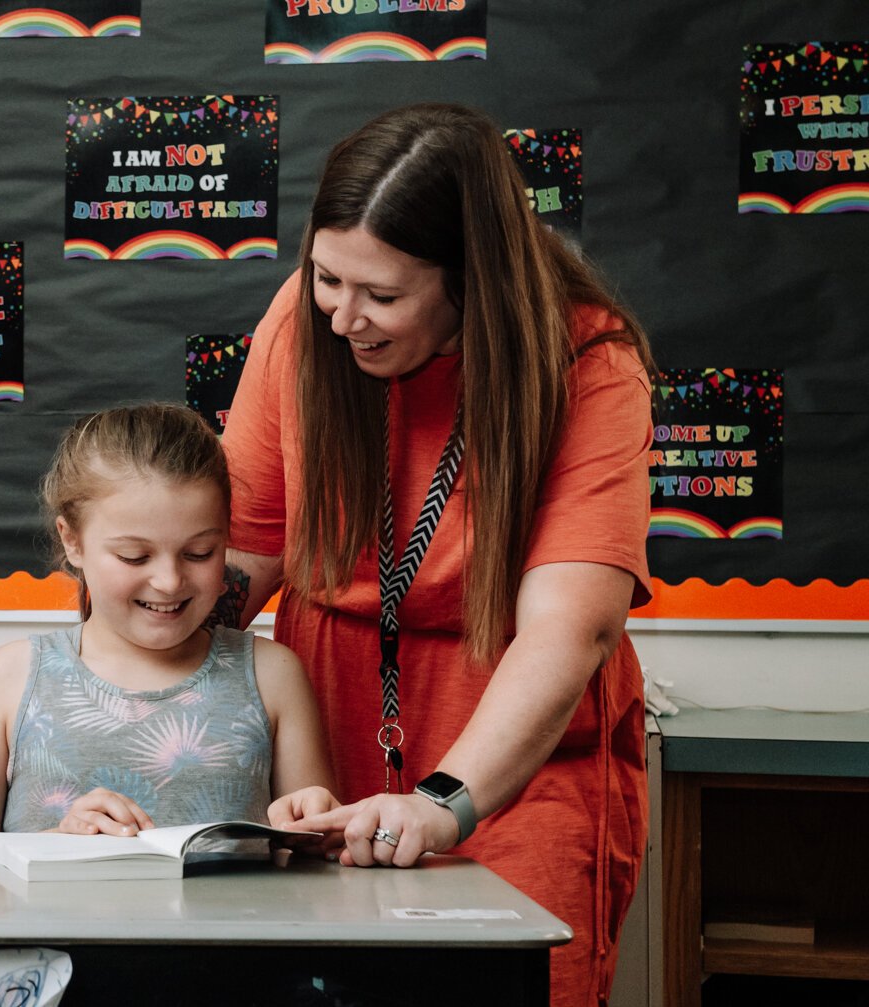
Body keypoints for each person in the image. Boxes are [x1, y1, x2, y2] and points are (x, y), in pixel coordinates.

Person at [219, 103, 654, 1006]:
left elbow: (570, 630)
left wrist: (442, 802)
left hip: (512, 760)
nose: (343, 318)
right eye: (327, 278)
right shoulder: (305, 320)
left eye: (382, 296)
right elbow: (243, 552)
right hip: (324, 743)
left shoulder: (589, 363)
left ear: (474, 280)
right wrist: (113, 700)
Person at [0, 403, 336, 850]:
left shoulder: (272, 675)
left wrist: (319, 834)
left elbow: (318, 865)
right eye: (134, 556)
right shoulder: (6, 681)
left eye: (200, 553)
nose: (170, 581)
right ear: (72, 541)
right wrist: (56, 845)